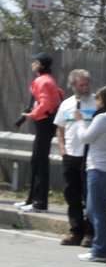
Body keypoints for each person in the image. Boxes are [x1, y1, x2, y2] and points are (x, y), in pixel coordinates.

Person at [74, 85, 106, 262]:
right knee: (96, 209)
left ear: (101, 100)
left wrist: (80, 122)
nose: (95, 102)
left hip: (98, 168)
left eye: (97, 99)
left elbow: (85, 137)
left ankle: (101, 249)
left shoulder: (103, 117)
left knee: (96, 210)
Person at [15, 52, 64, 213]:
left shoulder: (42, 81)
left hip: (44, 123)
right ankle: (32, 200)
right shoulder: (48, 80)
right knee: (37, 161)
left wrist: (32, 115)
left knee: (40, 162)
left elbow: (46, 103)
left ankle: (39, 203)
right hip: (46, 123)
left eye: (34, 62)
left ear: (40, 65)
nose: (32, 64)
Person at [54, 69, 96, 247]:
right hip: (71, 155)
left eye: (87, 84)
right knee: (72, 195)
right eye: (81, 85)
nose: (85, 88)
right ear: (74, 86)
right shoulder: (66, 104)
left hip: (89, 155)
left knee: (90, 197)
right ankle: (75, 231)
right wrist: (62, 148)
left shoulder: (96, 102)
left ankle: (90, 234)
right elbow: (60, 128)